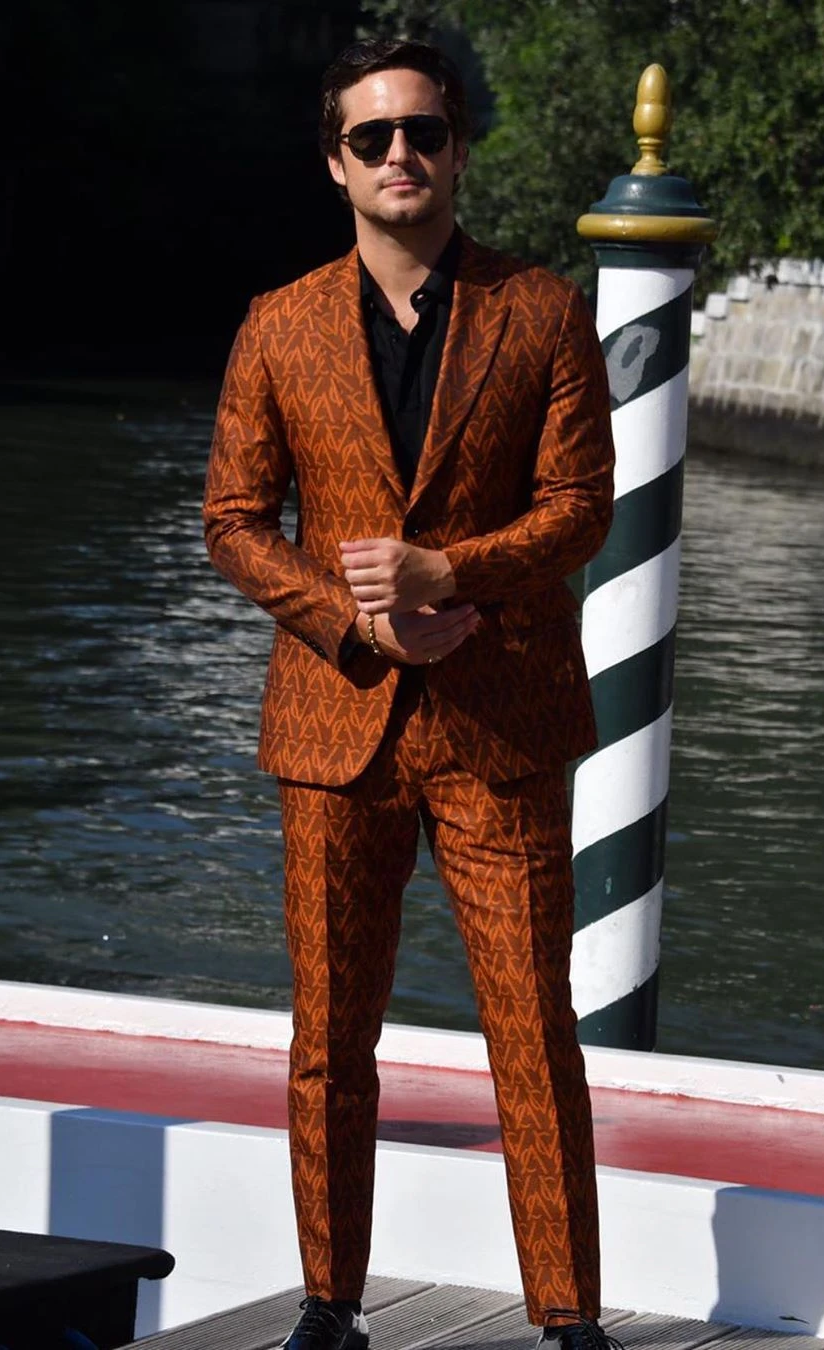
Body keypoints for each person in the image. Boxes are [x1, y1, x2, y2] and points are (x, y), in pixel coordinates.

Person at [203, 35, 617, 1350]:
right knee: (329, 1036)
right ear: (335, 162)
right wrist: (358, 621)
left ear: (458, 150)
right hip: (337, 724)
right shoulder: (277, 323)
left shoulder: (541, 311)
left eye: (424, 132)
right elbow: (232, 521)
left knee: (533, 1031)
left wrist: (453, 573)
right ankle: (331, 1305)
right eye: (373, 136)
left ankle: (569, 1319)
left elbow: (580, 507)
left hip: (504, 722)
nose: (401, 155)